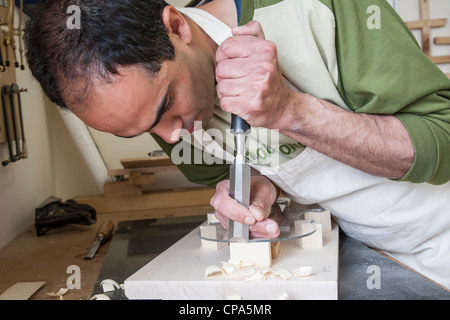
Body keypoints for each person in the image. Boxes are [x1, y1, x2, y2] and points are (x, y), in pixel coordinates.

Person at [24, 0, 450, 289]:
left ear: (176, 27)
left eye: (165, 107)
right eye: (138, 133)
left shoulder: (315, 11)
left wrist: (291, 111)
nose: (174, 139)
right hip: (372, 255)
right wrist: (259, 187)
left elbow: (443, 141)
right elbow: (270, 171)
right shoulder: (173, 128)